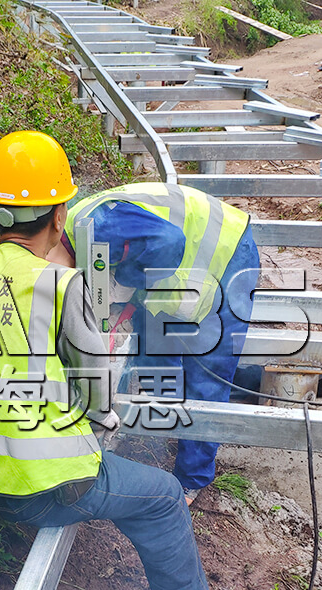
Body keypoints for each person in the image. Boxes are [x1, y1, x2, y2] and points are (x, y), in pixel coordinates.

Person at [0, 130, 233, 590]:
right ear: (58, 217)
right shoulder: (60, 284)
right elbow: (96, 385)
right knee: (161, 498)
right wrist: (102, 419)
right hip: (40, 487)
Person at [48, 183, 260, 505]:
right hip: (180, 278)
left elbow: (167, 241)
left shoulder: (97, 225)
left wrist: (121, 284)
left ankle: (192, 479)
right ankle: (167, 422)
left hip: (226, 253)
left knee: (208, 375)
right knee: (152, 348)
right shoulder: (79, 239)